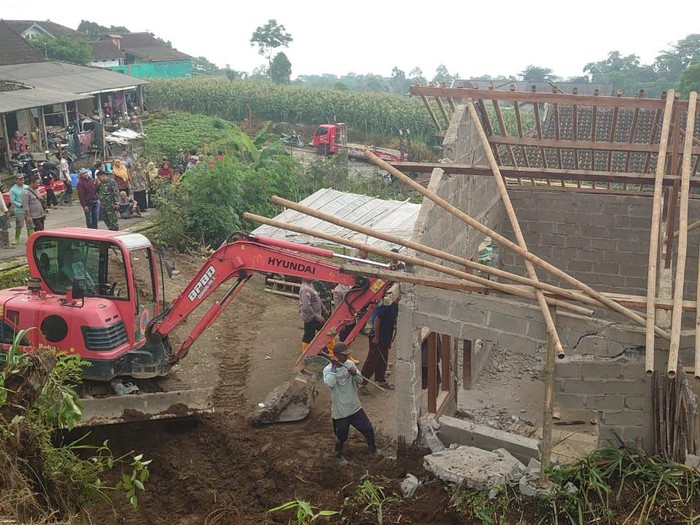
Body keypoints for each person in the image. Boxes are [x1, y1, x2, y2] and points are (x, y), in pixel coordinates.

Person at [323, 342, 379, 466]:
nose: (347, 357)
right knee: (341, 435)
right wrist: (334, 368)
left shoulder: (349, 364)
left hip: (354, 407)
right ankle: (338, 455)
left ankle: (373, 449)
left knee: (368, 429)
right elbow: (329, 384)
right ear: (336, 356)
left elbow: (360, 381)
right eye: (344, 355)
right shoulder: (328, 370)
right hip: (341, 411)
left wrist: (355, 374)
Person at [360, 284, 400, 392]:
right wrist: (377, 337)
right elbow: (377, 320)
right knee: (372, 360)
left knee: (383, 360)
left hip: (386, 336)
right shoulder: (388, 305)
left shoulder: (396, 306)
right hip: (377, 337)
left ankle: (381, 380)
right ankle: (362, 383)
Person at [299, 278, 328, 353]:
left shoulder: (311, 285)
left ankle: (318, 351)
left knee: (310, 335)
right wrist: (315, 316)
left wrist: (323, 309)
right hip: (311, 317)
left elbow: (317, 298)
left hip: (315, 316)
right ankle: (306, 353)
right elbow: (306, 306)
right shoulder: (305, 289)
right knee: (325, 332)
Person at [10, 174, 32, 244]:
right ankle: (16, 238)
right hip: (19, 210)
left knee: (30, 224)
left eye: (22, 179)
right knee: (19, 224)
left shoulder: (27, 187)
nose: (22, 181)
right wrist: (20, 205)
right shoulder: (13, 190)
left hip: (28, 209)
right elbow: (13, 201)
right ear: (16, 180)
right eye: (20, 179)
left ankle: (30, 238)